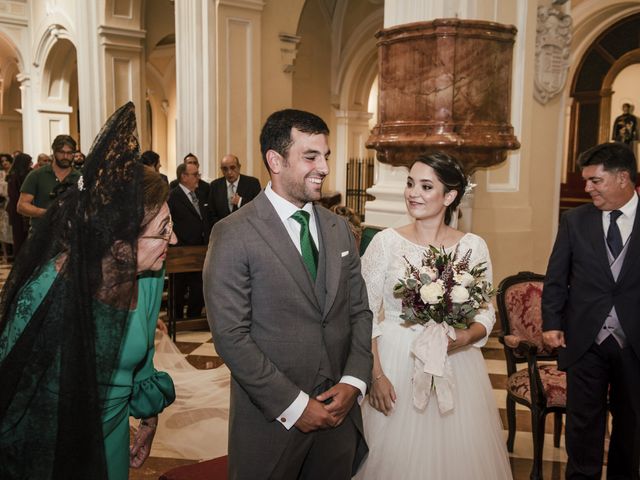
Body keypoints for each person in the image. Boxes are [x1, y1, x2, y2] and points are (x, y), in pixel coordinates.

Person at [0, 102, 176, 479]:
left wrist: (148, 416)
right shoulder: (49, 289)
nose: (173, 239)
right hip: (56, 446)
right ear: (119, 244)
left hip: (113, 436)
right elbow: (19, 394)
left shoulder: (147, 275)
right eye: (163, 230)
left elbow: (142, 357)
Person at [203, 109, 372, 479]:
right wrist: (295, 405)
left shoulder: (339, 229)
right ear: (275, 161)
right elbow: (231, 336)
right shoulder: (234, 233)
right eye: (310, 156)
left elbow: (359, 311)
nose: (324, 167)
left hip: (339, 419)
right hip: (272, 422)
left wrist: (354, 381)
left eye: (325, 155)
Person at [355, 152, 512, 480]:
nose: (414, 193)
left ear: (450, 196)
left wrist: (464, 337)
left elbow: (485, 312)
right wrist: (376, 375)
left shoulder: (473, 247)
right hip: (396, 362)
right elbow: (362, 313)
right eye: (411, 183)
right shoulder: (384, 243)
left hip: (455, 362)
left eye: (426, 186)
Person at [542, 142, 640, 479]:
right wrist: (552, 322)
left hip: (635, 343)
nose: (587, 188)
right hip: (585, 341)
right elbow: (556, 276)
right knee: (583, 425)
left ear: (623, 178)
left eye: (595, 181)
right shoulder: (575, 220)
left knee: (632, 424)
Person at [167, 161, 210, 319]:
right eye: (195, 174)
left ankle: (193, 317)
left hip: (200, 250)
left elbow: (204, 219)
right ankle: (176, 318)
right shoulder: (173, 196)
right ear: (183, 177)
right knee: (178, 287)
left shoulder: (200, 195)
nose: (198, 177)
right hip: (181, 251)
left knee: (198, 287)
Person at [17, 135, 81, 233]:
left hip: (70, 234)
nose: (65, 157)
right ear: (54, 152)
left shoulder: (79, 177)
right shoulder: (37, 175)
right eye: (61, 152)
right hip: (41, 234)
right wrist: (47, 213)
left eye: (69, 153)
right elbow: (22, 206)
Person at [208, 153, 261, 225]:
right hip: (223, 232)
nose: (229, 172)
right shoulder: (215, 186)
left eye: (232, 168)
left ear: (239, 167)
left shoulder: (252, 183)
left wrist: (240, 201)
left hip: (246, 231)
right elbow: (211, 213)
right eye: (225, 169)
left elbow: (258, 209)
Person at [5, 153, 32, 255]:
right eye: (29, 162)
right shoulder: (14, 176)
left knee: (23, 238)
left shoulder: (24, 174)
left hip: (21, 209)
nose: (31, 164)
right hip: (18, 210)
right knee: (19, 238)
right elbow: (14, 195)